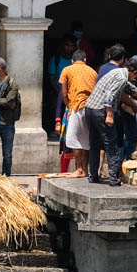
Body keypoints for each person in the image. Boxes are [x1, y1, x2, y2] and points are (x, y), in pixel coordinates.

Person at [83, 56, 137, 185]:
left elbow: (131, 89)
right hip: (101, 111)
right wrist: (109, 114)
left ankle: (93, 176)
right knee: (111, 143)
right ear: (135, 72)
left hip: (90, 108)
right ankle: (114, 178)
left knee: (95, 144)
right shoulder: (121, 77)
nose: (136, 78)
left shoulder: (118, 72)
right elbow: (109, 96)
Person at [58, 49, 99, 177]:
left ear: (72, 60)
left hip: (76, 106)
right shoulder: (93, 72)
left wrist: (69, 106)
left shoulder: (67, 70)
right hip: (92, 108)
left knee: (74, 139)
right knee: (86, 141)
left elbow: (64, 93)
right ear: (85, 60)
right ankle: (86, 170)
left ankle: (79, 169)